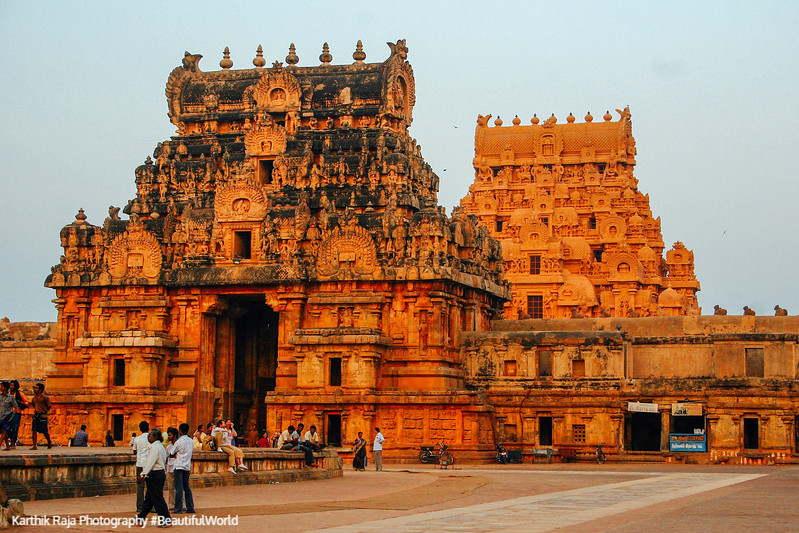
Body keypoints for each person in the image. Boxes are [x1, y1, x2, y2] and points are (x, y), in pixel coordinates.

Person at [137, 428, 171, 525]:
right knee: (149, 498)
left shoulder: (155, 448)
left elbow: (150, 463)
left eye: (150, 435)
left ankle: (166, 519)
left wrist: (143, 475)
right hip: (159, 473)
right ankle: (140, 517)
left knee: (157, 498)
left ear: (155, 437)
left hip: (155, 474)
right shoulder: (160, 447)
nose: (149, 437)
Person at [172, 423, 195, 514]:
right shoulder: (191, 441)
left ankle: (178, 509)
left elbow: (172, 452)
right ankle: (190, 507)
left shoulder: (178, 442)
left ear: (180, 431)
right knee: (187, 487)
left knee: (179, 488)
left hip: (179, 465)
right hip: (187, 466)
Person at [132, 421, 151, 513]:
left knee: (140, 486)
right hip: (149, 465)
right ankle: (151, 506)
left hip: (140, 464)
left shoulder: (137, 439)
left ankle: (140, 506)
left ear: (140, 429)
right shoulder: (151, 439)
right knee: (151, 486)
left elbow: (134, 451)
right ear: (148, 428)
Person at [29, 383, 52, 450]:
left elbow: (49, 406)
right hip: (36, 416)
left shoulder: (45, 398)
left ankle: (49, 442)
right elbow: (33, 405)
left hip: (43, 416)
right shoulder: (34, 398)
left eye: (36, 388)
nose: (35, 389)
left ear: (40, 390)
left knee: (45, 431)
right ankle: (34, 445)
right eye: (35, 388)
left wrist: (43, 411)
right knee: (34, 430)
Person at [9, 380, 28, 448]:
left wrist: (19, 403)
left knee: (15, 428)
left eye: (12, 385)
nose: (10, 386)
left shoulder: (20, 394)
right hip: (9, 413)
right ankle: (10, 442)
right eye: (10, 385)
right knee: (9, 428)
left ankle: (13, 443)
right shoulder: (9, 394)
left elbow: (26, 402)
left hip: (16, 412)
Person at [0, 382, 18, 451]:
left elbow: (16, 406)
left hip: (7, 416)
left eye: (2, 386)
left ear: (5, 388)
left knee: (4, 430)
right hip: (0, 416)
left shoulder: (11, 397)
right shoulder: (0, 396)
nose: (1, 388)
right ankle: (7, 446)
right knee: (4, 432)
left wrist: (12, 415)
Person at [165, 427, 178, 510]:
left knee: (179, 488)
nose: (168, 437)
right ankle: (171, 504)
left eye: (170, 435)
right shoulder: (168, 447)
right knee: (171, 488)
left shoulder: (179, 445)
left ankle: (180, 504)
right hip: (170, 468)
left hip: (178, 468)